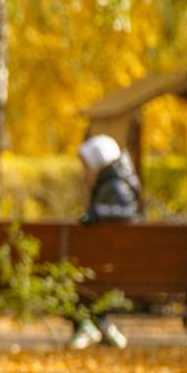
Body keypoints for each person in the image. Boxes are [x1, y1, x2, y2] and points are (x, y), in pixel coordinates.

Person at [69, 134, 142, 349]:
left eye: (87, 166)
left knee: (76, 278)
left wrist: (95, 215)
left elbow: (124, 214)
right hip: (113, 264)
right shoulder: (116, 183)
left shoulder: (114, 186)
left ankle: (91, 326)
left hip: (111, 266)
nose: (85, 172)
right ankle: (102, 326)